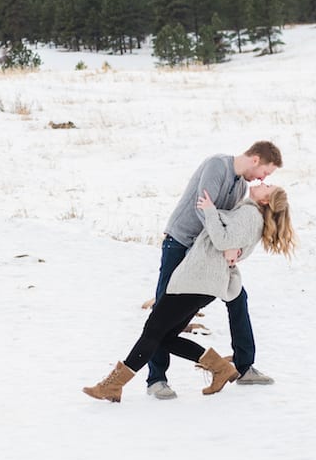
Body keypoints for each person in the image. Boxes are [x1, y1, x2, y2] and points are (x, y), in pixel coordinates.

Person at [83, 183, 295, 402]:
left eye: (267, 187)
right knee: (164, 337)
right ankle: (220, 368)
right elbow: (232, 243)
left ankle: (112, 385)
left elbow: (223, 240)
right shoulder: (251, 215)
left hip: (196, 281)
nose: (262, 183)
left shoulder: (250, 214)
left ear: (265, 201)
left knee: (153, 331)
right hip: (202, 282)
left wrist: (210, 211)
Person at [147, 141, 282, 400]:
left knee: (237, 298)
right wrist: (225, 245)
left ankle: (245, 366)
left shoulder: (241, 186)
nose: (263, 178)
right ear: (256, 160)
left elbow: (228, 223)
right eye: (265, 172)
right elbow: (204, 210)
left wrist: (235, 247)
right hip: (181, 243)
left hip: (207, 252)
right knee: (163, 306)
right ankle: (156, 379)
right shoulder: (217, 166)